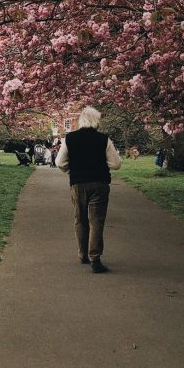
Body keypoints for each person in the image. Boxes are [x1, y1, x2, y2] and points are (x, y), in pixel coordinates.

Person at [56, 106, 121, 273]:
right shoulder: (104, 140)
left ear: (81, 121)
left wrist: (72, 170)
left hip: (78, 184)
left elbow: (60, 163)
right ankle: (95, 258)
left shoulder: (70, 138)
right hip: (99, 184)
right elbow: (116, 164)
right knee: (96, 221)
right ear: (96, 121)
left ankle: (83, 254)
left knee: (80, 219)